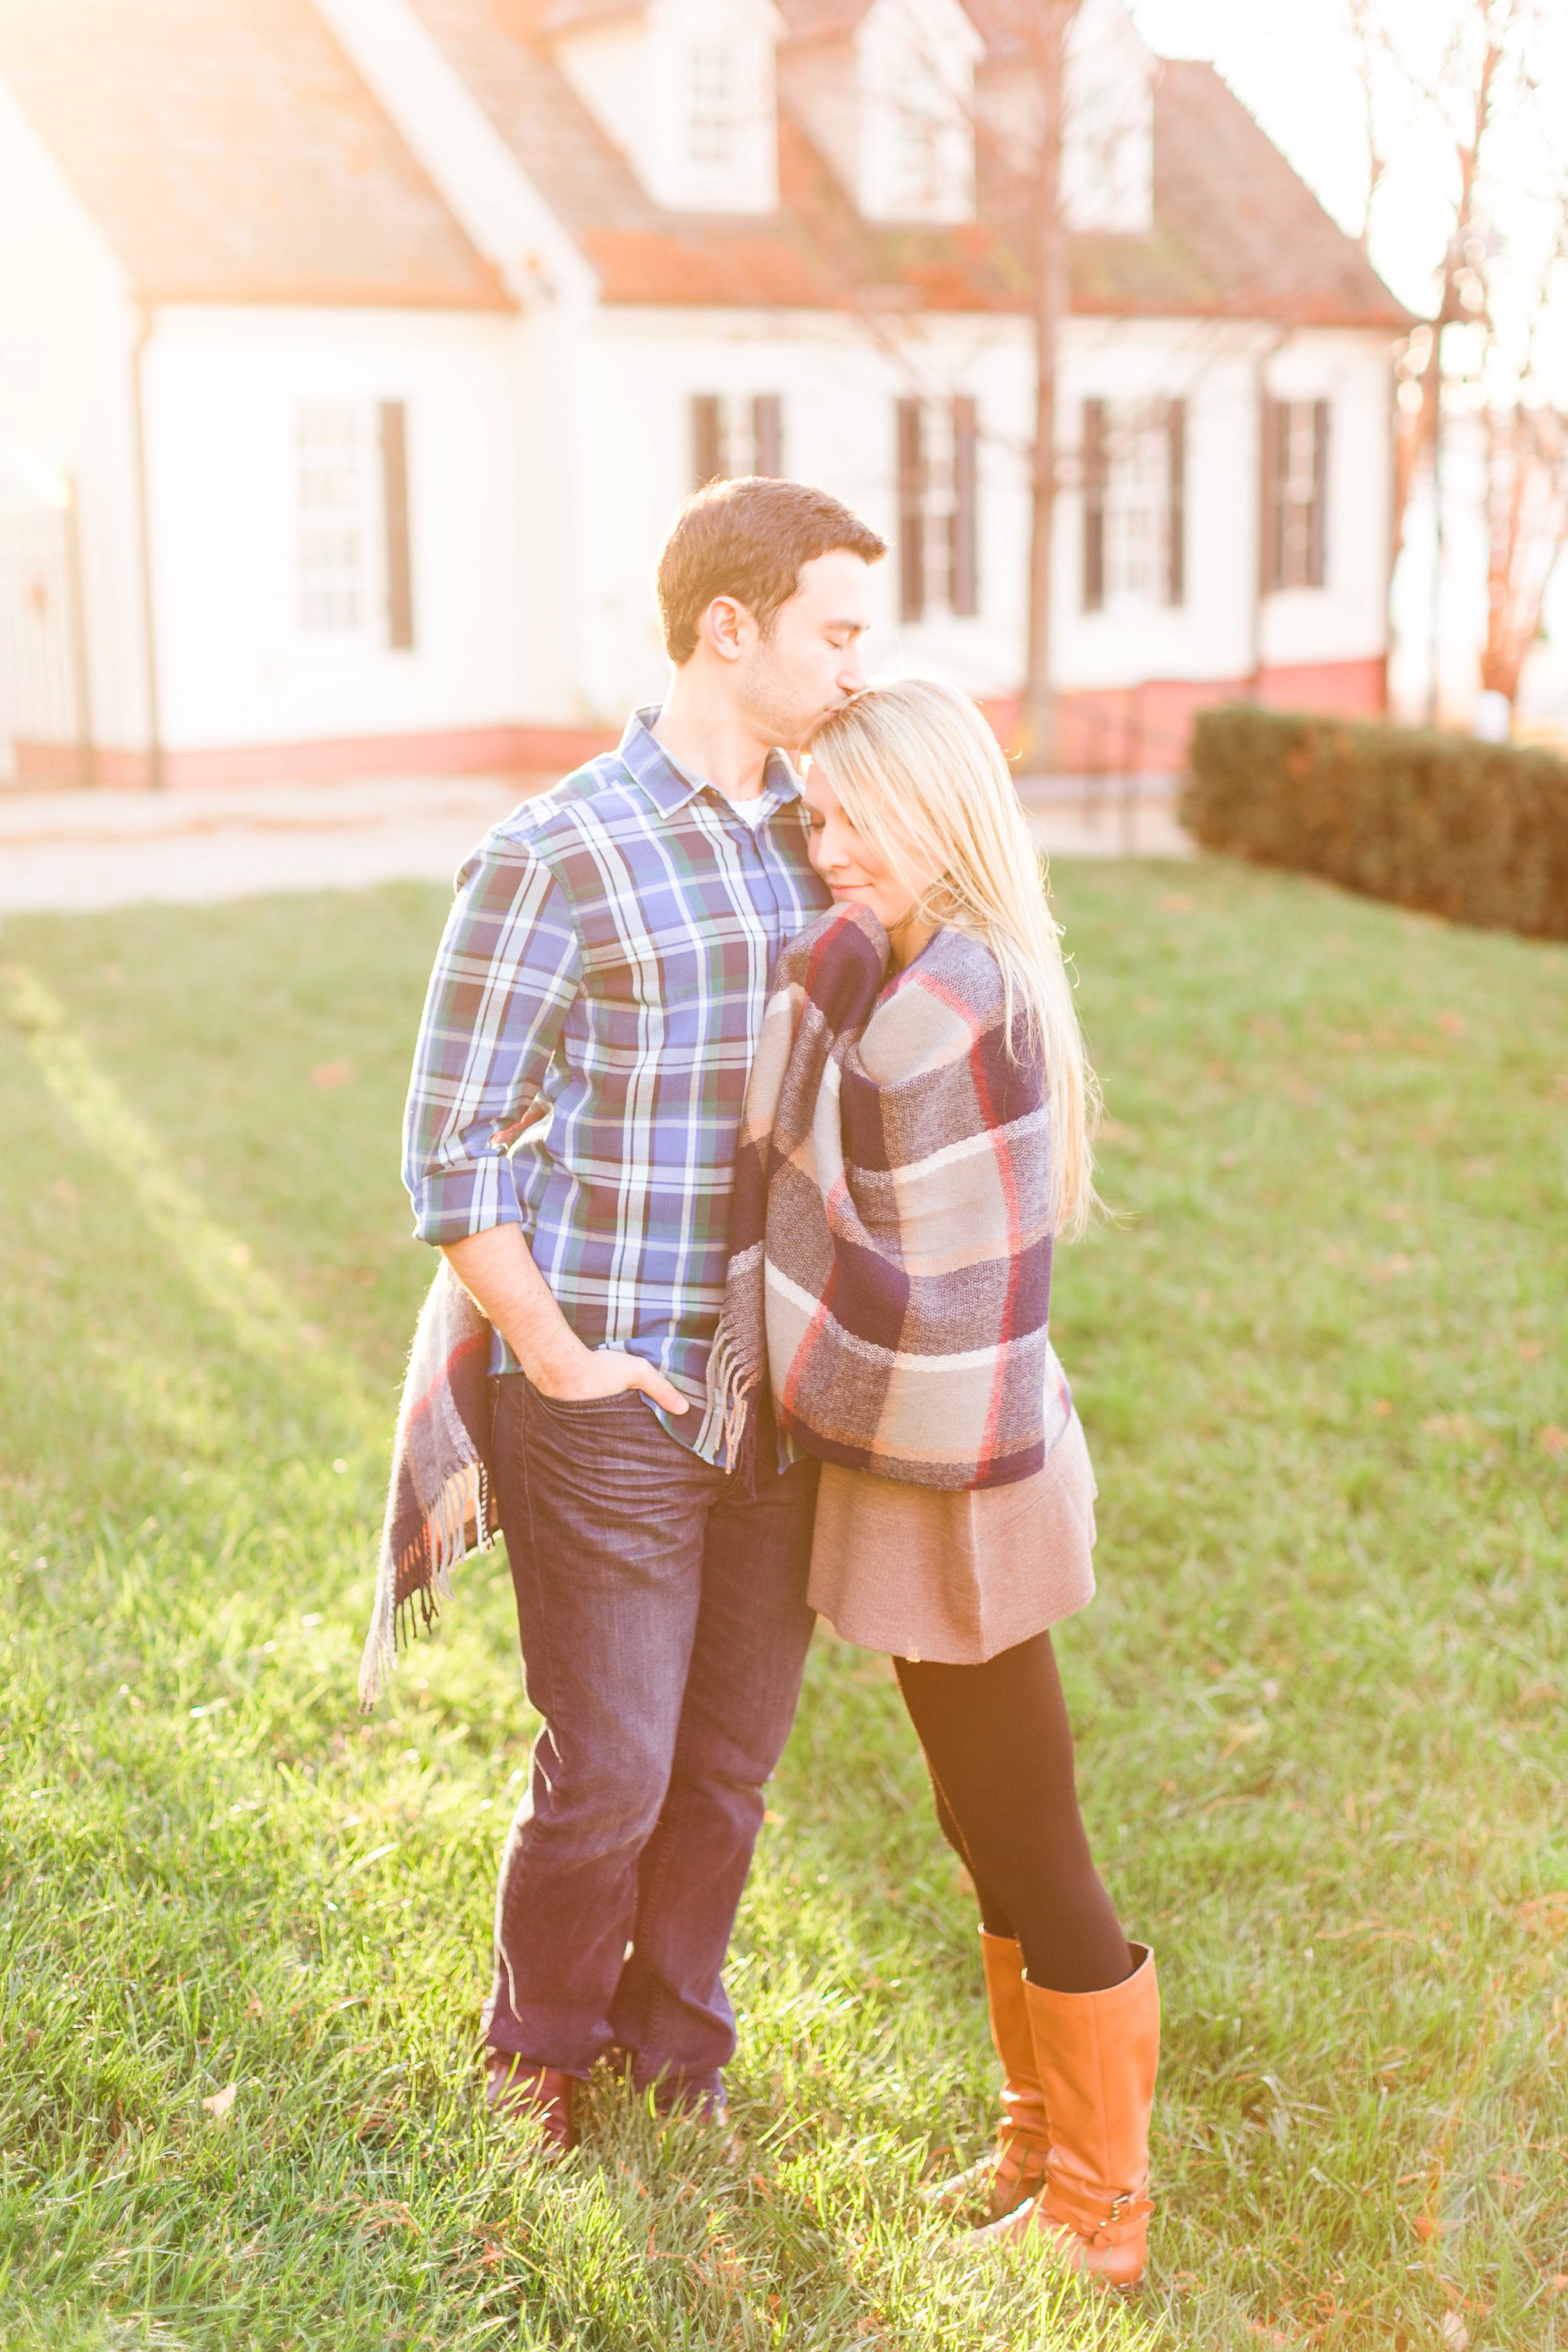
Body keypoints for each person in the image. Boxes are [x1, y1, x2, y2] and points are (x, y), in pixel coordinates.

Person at [400, 477, 887, 2149]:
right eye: (834, 629)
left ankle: (679, 2040)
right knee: (607, 1768)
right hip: (616, 1397)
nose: (855, 666)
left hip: (783, 1405)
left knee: (729, 1769)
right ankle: (541, 2035)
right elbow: (447, 1150)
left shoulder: (830, 839)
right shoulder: (557, 853)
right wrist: (556, 1360)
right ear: (725, 628)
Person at [710, 675, 1159, 2289]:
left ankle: (1105, 2199)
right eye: (811, 817)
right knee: (978, 1821)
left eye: (854, 817)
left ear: (937, 809)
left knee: (1031, 1834)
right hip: (936, 1457)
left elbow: (880, 1267)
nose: (826, 849)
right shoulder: (902, 975)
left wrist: (794, 1055)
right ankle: (1040, 2136)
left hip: (961, 1469)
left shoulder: (942, 1007)